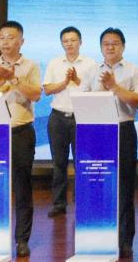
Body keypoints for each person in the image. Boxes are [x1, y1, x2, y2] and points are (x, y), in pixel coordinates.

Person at [0, 20, 42, 258]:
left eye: (11, 37)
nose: (5, 42)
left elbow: (36, 94)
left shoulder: (30, 66)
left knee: (22, 188)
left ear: (21, 41)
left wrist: (14, 80)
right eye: (1, 37)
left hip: (21, 132)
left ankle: (22, 240)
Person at [90, 27, 138, 258]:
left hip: (123, 130)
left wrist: (114, 86)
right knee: (98, 185)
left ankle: (125, 240)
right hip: (97, 133)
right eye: (106, 43)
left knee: (124, 186)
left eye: (114, 43)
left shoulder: (134, 70)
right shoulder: (92, 71)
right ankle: (99, 236)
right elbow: (80, 100)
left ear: (123, 46)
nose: (110, 47)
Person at [42, 26, 96, 218]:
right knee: (59, 163)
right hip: (58, 117)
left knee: (82, 162)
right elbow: (47, 89)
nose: (69, 44)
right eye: (65, 41)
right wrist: (65, 82)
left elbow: (95, 91)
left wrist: (77, 80)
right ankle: (59, 203)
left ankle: (82, 201)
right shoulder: (55, 63)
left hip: (82, 117)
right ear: (61, 43)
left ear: (80, 42)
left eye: (73, 40)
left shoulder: (91, 64)